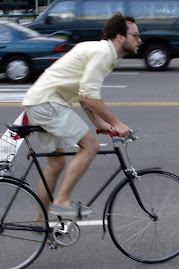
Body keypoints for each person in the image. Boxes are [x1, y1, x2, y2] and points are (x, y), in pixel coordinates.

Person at [22, 12, 141, 219]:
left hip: (40, 102)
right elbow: (89, 97)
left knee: (56, 163)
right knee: (91, 146)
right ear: (120, 37)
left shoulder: (97, 50)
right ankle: (62, 201)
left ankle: (40, 223)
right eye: (135, 35)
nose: (139, 40)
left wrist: (98, 122)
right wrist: (117, 123)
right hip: (48, 104)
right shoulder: (104, 53)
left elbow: (82, 93)